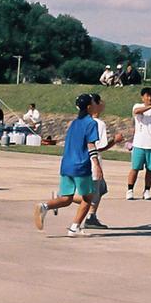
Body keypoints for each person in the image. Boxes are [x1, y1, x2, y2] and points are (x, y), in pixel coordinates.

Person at [34, 94, 100, 237]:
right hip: (81, 165)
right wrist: (97, 164)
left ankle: (44, 206)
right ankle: (74, 228)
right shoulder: (91, 123)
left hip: (66, 165)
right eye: (94, 102)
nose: (96, 104)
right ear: (89, 107)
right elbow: (91, 144)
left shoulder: (74, 123)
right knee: (89, 199)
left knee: (66, 198)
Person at [85, 92, 123, 229]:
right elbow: (99, 147)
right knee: (92, 194)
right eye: (100, 102)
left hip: (82, 161)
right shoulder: (98, 123)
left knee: (100, 189)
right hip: (93, 163)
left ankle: (91, 216)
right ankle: (59, 200)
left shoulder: (81, 121)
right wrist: (115, 140)